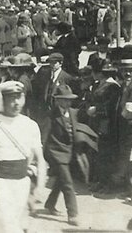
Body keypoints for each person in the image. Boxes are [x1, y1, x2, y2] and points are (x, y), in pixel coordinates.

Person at [0, 81, 46, 233]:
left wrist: (40, 186)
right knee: (7, 226)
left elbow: (40, 159)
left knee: (19, 224)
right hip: (1, 184)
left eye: (19, 97)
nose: (16, 103)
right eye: (11, 98)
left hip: (23, 183)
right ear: (2, 101)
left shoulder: (31, 125)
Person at [43, 84, 80, 226]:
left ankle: (50, 204)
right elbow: (44, 137)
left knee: (60, 180)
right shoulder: (51, 115)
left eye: (69, 99)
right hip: (55, 152)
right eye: (64, 100)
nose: (67, 102)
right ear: (57, 100)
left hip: (69, 151)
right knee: (68, 183)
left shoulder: (73, 112)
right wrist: (42, 157)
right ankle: (73, 214)